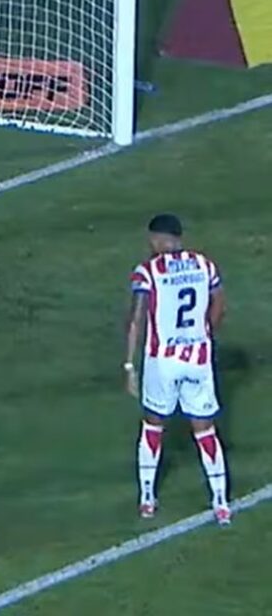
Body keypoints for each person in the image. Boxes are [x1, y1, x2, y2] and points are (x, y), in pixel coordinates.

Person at [125, 214, 229, 523]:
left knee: (153, 425)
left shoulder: (148, 271)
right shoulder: (204, 265)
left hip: (162, 361)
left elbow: (136, 319)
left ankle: (147, 498)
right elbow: (220, 306)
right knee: (205, 430)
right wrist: (203, 336)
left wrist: (130, 365)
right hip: (198, 358)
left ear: (158, 239)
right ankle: (221, 503)